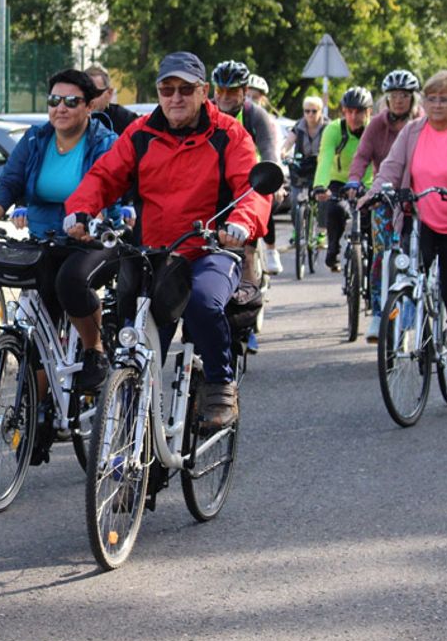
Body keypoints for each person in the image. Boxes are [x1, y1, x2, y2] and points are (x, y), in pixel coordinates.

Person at [63, 51, 271, 429]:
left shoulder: (229, 134)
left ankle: (220, 382)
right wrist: (81, 210)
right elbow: (104, 176)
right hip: (152, 254)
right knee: (133, 340)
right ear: (159, 92)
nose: (176, 97)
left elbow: (251, 190)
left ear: (203, 91)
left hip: (209, 249)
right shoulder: (140, 133)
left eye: (186, 89)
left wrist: (241, 220)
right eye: (167, 89)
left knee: (204, 305)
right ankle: (130, 423)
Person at [0, 68, 119, 394]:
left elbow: (109, 189)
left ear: (89, 107)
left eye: (71, 101)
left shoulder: (105, 143)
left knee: (71, 282)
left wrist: (92, 220)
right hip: (45, 240)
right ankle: (38, 417)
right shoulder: (36, 139)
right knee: (36, 324)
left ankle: (94, 350)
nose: (60, 108)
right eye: (54, 100)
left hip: (93, 242)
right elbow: (8, 184)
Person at [359, 69, 447, 393]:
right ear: (423, 101)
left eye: (444, 99)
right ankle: (411, 318)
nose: (437, 104)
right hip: (419, 219)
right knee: (410, 276)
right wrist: (375, 192)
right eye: (431, 98)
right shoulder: (413, 131)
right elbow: (392, 167)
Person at [346, 68, 422, 341]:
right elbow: (361, 156)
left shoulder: (422, 124)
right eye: (394, 96)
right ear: (386, 99)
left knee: (413, 253)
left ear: (413, 98)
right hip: (385, 195)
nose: (399, 100)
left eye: (404, 95)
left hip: (416, 198)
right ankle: (379, 313)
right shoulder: (377, 124)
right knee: (382, 252)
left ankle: (413, 305)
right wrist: (354, 181)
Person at [210, 60, 283, 277]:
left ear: (244, 91)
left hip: (251, 181)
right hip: (213, 183)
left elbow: (269, 151)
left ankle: (250, 298)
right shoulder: (204, 112)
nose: (223, 97)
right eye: (219, 90)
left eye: (231, 91)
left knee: (246, 250)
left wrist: (274, 179)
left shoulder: (255, 115)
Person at [313, 86, 373, 272]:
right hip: (338, 180)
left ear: (369, 112)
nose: (354, 117)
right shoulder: (334, 129)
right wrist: (320, 186)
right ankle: (333, 249)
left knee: (370, 220)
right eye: (349, 112)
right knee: (335, 209)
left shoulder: (374, 129)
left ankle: (371, 262)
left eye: (359, 112)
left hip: (368, 181)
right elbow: (325, 158)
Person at [282, 94, 330, 249]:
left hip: (320, 167)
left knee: (323, 199)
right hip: (302, 168)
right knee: (295, 199)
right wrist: (283, 152)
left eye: (314, 111)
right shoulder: (299, 126)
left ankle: (322, 233)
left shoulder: (328, 127)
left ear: (320, 111)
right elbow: (289, 141)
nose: (310, 115)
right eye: (307, 111)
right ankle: (297, 232)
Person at [85, 64, 139, 136]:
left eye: (94, 92)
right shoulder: (72, 117)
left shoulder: (125, 120)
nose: (89, 98)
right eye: (84, 92)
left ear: (109, 93)